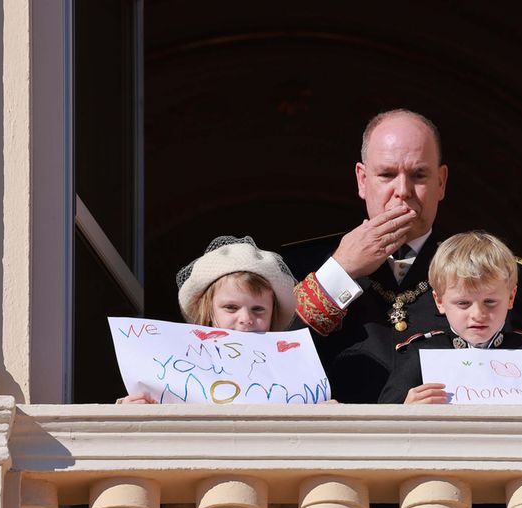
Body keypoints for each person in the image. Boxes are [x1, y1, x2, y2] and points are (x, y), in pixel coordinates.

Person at [293, 109, 451, 403]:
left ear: (441, 182)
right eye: (387, 175)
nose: (402, 191)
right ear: (362, 180)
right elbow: (269, 358)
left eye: (419, 175)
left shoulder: (482, 268)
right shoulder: (304, 265)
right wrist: (340, 271)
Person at [378, 231, 522, 404]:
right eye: (463, 303)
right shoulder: (420, 354)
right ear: (440, 301)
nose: (478, 315)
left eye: (490, 302)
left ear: (510, 297)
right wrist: (405, 410)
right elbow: (381, 427)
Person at [118, 234, 297, 404]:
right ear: (208, 311)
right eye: (231, 308)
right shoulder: (177, 366)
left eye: (258, 309)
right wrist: (130, 408)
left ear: (273, 313)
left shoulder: (290, 371)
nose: (246, 319)